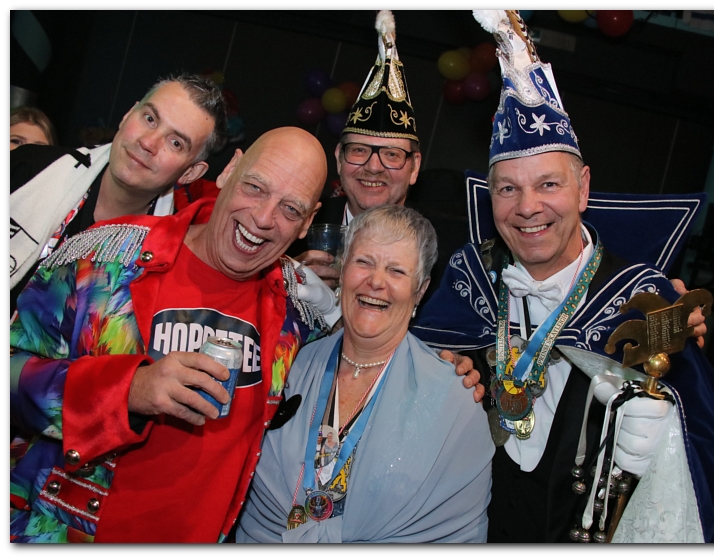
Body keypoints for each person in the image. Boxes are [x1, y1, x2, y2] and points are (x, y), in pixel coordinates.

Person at [412, 11, 714, 543]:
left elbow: (700, 443)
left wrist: (661, 436)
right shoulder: (470, 278)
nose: (527, 207)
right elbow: (409, 373)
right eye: (508, 189)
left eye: (548, 185)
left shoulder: (644, 300)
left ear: (583, 189)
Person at [10, 127, 329, 543]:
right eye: (255, 187)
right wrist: (126, 391)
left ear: (308, 222)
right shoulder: (103, 260)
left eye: (290, 209)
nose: (264, 218)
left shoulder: (298, 318)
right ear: (229, 170)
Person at [237, 205, 493, 543]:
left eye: (396, 271)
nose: (376, 281)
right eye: (364, 262)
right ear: (343, 270)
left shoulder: (453, 401)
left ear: (420, 290)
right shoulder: (291, 365)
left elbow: (455, 533)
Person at [10, 72, 228, 317]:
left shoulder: (170, 258)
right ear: (127, 115)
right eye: (150, 119)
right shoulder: (28, 169)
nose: (148, 142)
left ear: (190, 172)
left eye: (175, 143)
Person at [288, 11, 464, 302]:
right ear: (339, 158)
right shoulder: (297, 228)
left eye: (392, 155)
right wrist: (287, 281)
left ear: (414, 167)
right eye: (359, 150)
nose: (372, 166)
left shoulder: (448, 255)